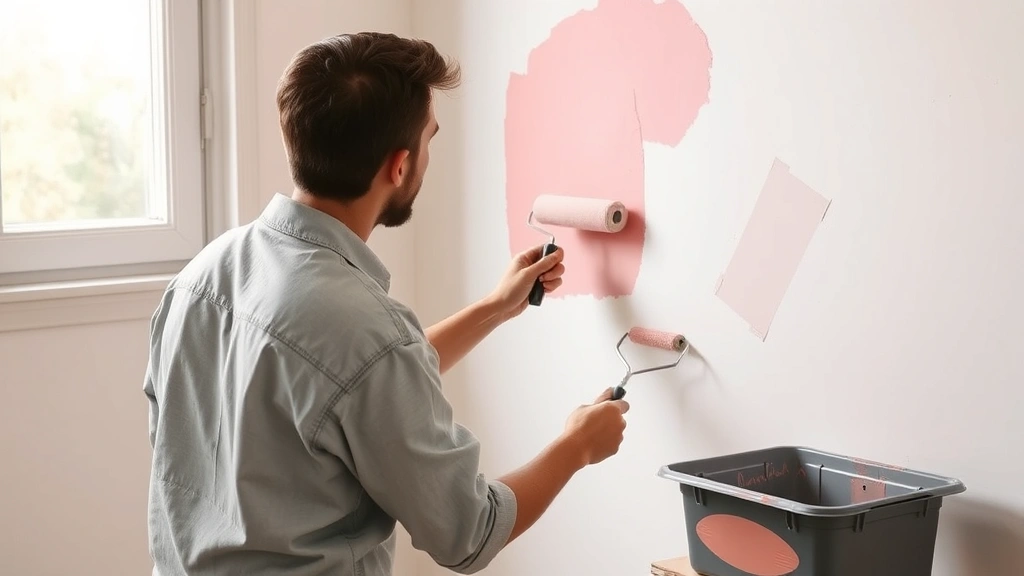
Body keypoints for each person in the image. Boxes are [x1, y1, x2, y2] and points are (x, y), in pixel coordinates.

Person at [143, 32, 629, 576]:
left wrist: (495, 306)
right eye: (429, 138)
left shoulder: (201, 276)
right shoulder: (363, 334)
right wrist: (576, 446)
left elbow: (346, 389)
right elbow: (470, 533)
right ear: (399, 167)